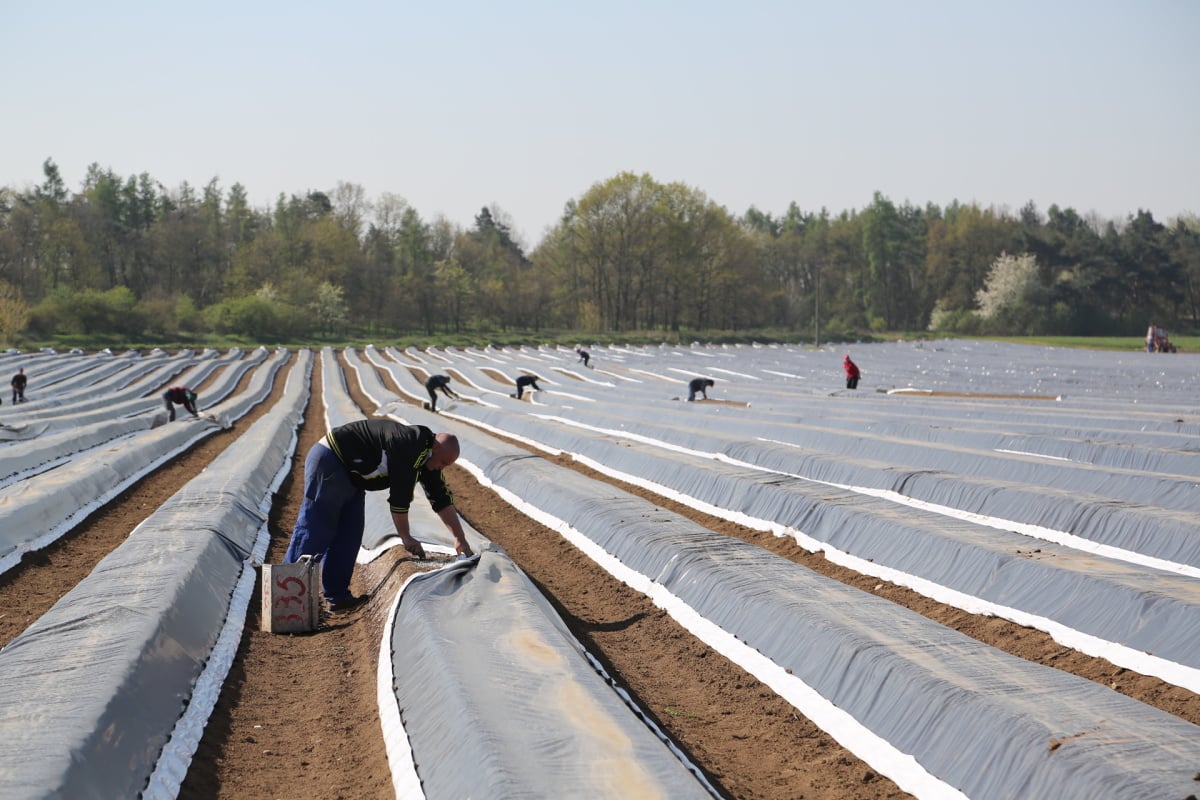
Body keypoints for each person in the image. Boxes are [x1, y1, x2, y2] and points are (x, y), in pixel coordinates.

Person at [283, 419, 474, 611]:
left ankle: (337, 597)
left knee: (350, 533)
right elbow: (399, 499)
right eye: (443, 462)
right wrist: (406, 537)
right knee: (317, 527)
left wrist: (460, 538)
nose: (442, 467)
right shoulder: (410, 445)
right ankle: (287, 601)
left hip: (353, 477)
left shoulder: (428, 459)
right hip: (332, 459)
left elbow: (440, 497)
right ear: (434, 447)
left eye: (447, 465)